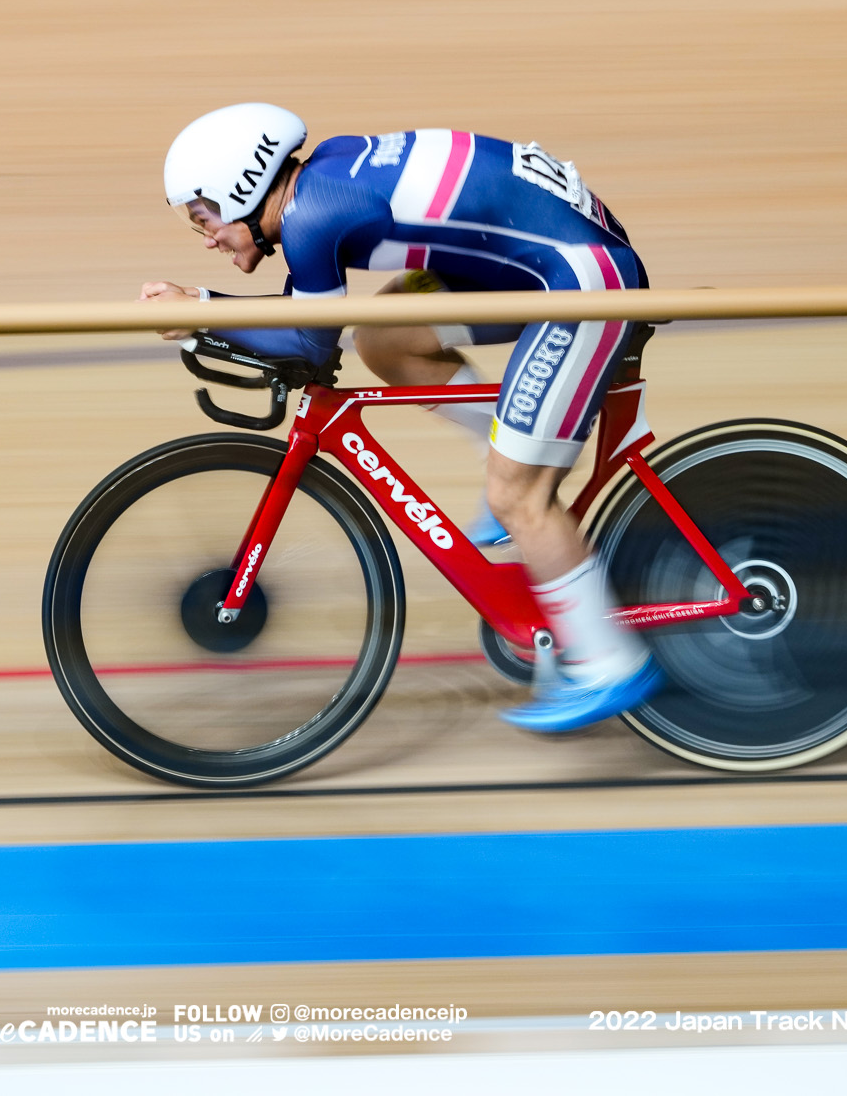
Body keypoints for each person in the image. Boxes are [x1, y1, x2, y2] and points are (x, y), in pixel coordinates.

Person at [140, 102, 661, 733]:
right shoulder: (321, 183)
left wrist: (202, 308)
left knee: (519, 493)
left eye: (206, 217)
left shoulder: (313, 215)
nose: (208, 236)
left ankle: (611, 664)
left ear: (242, 186)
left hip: (581, 280)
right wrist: (210, 308)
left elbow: (308, 343)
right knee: (386, 340)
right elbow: (307, 316)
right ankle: (519, 448)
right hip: (543, 260)